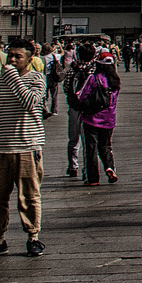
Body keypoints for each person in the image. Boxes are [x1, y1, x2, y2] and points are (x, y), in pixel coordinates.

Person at [0, 40, 47, 259]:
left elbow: (31, 102)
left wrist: (13, 77)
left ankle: (33, 237)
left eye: (18, 56)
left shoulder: (37, 79)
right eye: (10, 56)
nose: (13, 60)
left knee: (29, 196)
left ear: (30, 59)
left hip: (27, 146)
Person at [71, 48, 120, 187]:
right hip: (109, 119)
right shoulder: (116, 81)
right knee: (105, 146)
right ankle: (110, 167)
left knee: (91, 148)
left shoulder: (93, 78)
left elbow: (81, 96)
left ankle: (93, 179)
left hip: (91, 118)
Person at [61, 43, 95, 179]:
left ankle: (73, 166)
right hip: (89, 110)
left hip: (74, 108)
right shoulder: (93, 71)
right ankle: (87, 170)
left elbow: (66, 88)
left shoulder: (72, 70)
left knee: (73, 139)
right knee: (88, 140)